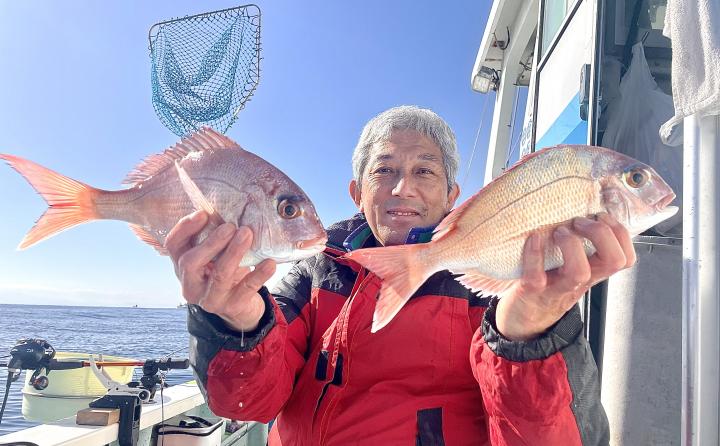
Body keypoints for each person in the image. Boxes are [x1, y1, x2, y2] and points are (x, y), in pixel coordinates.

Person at [167, 106, 633, 445]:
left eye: (424, 171)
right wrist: (238, 323)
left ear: (452, 195)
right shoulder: (314, 274)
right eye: (384, 170)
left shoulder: (501, 283)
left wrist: (529, 336)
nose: (402, 188)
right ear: (357, 193)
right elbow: (246, 403)